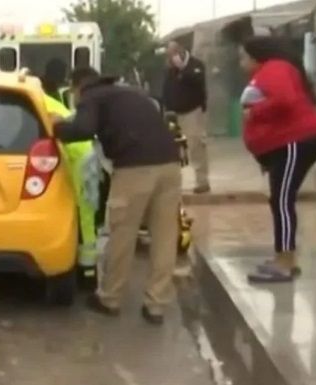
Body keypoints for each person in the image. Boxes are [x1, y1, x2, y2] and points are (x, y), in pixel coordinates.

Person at [54, 67, 181, 325]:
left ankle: (110, 299)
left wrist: (57, 125)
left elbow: (82, 129)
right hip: (171, 164)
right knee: (165, 235)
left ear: (77, 87)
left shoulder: (92, 97)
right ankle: (155, 306)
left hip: (135, 168)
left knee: (122, 232)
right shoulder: (128, 93)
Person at [238, 36, 316, 283]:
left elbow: (285, 99)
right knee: (280, 199)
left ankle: (285, 263)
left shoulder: (274, 69)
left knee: (282, 200)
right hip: (288, 143)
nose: (241, 63)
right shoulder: (273, 70)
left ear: (257, 57)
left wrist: (254, 112)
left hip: (295, 141)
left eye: (243, 57)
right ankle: (284, 257)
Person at [42, 90, 99, 289]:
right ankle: (87, 270)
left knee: (84, 213)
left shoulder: (38, 101)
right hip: (80, 153)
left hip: (79, 157)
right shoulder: (46, 100)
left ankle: (87, 272)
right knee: (85, 214)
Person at [162, 41, 209, 194]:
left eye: (173, 54)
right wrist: (166, 108)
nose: (171, 58)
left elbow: (198, 83)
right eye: (169, 55)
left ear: (181, 51)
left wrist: (183, 68)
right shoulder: (170, 70)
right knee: (171, 149)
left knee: (196, 146)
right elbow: (166, 89)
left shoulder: (196, 65)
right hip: (174, 114)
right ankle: (173, 184)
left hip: (192, 112)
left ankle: (202, 182)